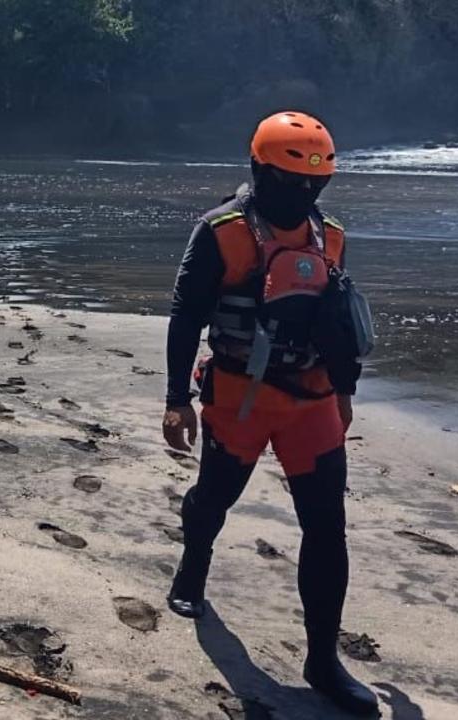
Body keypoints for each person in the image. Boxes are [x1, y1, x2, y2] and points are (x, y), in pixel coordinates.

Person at [162, 111, 377, 715]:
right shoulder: (220, 231)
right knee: (213, 499)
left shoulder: (330, 237)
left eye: (315, 183)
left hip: (311, 403)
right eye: (290, 180)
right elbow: (185, 318)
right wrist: (177, 400)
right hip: (240, 398)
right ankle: (194, 565)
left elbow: (339, 325)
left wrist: (344, 391)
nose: (303, 193)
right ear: (259, 170)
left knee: (326, 527)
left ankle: (323, 660)